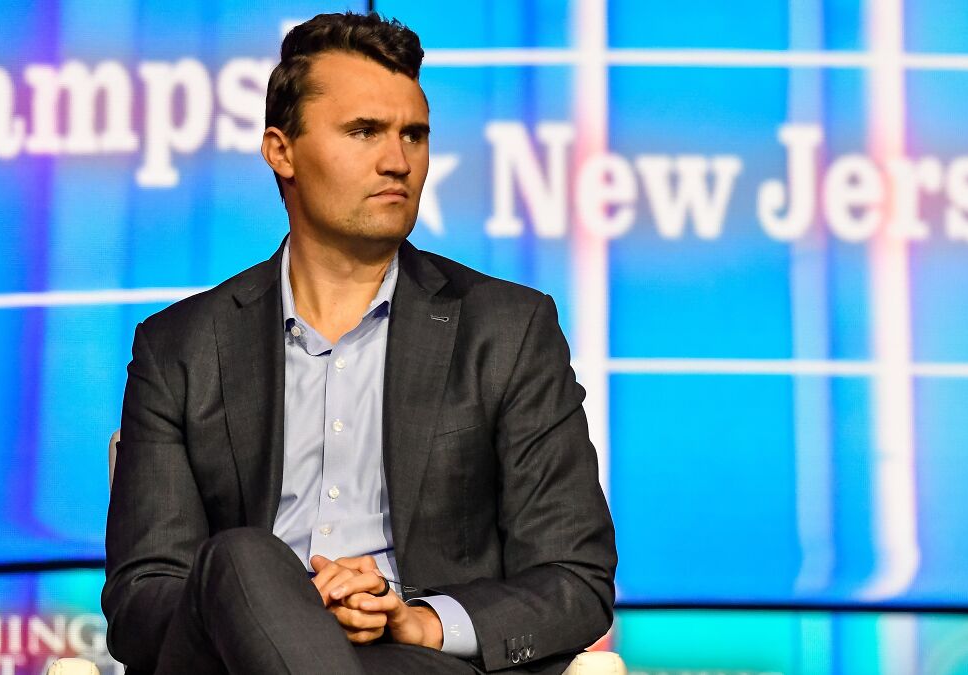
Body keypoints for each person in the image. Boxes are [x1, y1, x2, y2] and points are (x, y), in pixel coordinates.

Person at [100, 11, 616, 675]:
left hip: (417, 666)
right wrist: (270, 606)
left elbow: (575, 577)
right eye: (365, 131)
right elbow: (142, 597)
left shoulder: (507, 329)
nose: (397, 160)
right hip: (228, 661)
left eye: (414, 135)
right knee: (243, 560)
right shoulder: (181, 347)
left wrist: (419, 619)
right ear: (281, 151)